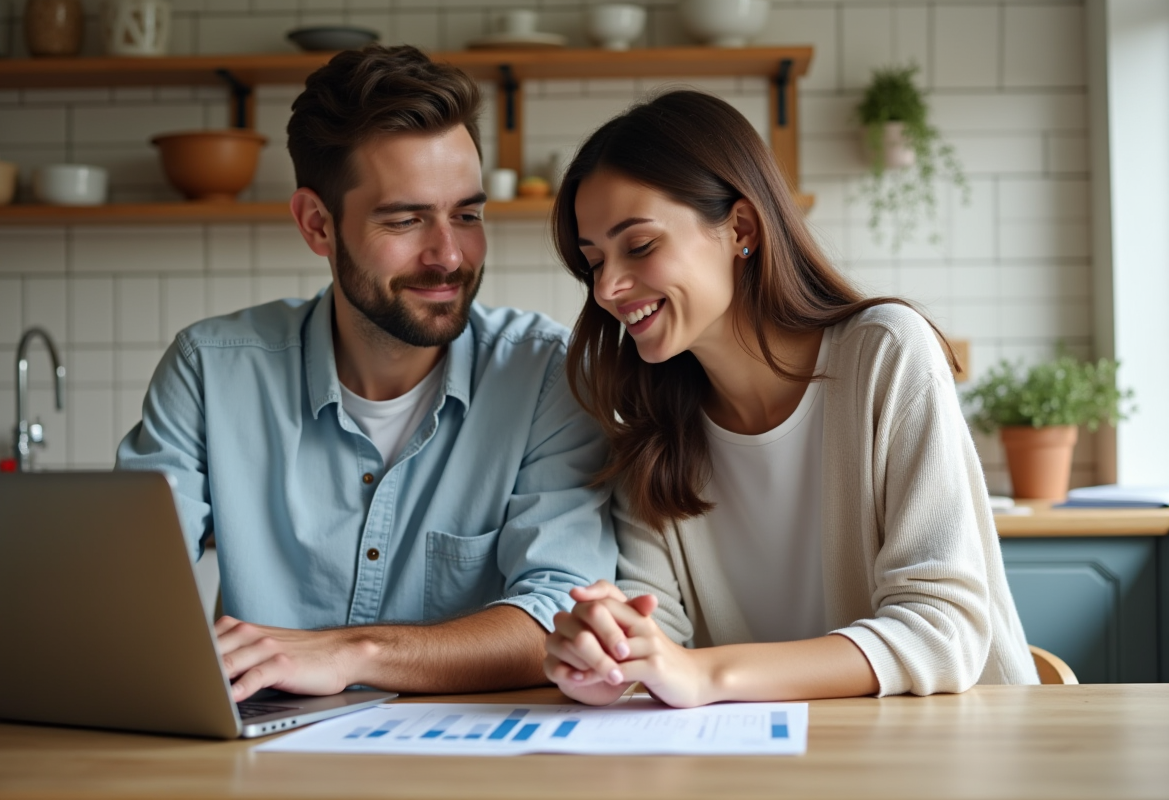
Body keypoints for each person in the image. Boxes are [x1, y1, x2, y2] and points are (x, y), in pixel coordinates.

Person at [116, 45, 616, 702]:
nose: (448, 255)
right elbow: (130, 599)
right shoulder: (211, 371)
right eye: (406, 220)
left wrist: (353, 652)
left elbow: (559, 618)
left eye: (467, 214)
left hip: (475, 761)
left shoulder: (547, 375)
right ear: (317, 224)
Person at [542, 90, 1038, 708]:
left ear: (740, 229)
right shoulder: (649, 427)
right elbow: (657, 647)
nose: (609, 287)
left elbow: (942, 632)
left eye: (639, 246)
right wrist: (607, 662)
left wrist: (703, 675)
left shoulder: (885, 353)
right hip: (774, 762)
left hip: (948, 756)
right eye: (593, 262)